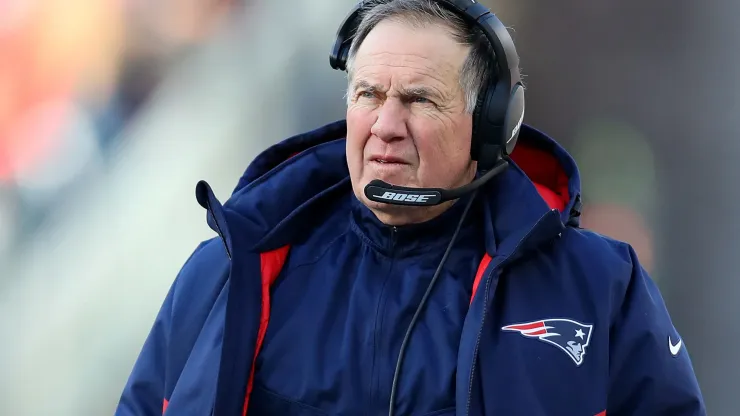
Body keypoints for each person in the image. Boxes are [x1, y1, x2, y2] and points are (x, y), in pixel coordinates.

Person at [116, 0, 705, 415]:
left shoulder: (601, 287)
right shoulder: (225, 272)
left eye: (419, 99)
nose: (386, 126)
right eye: (368, 95)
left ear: (490, 127)